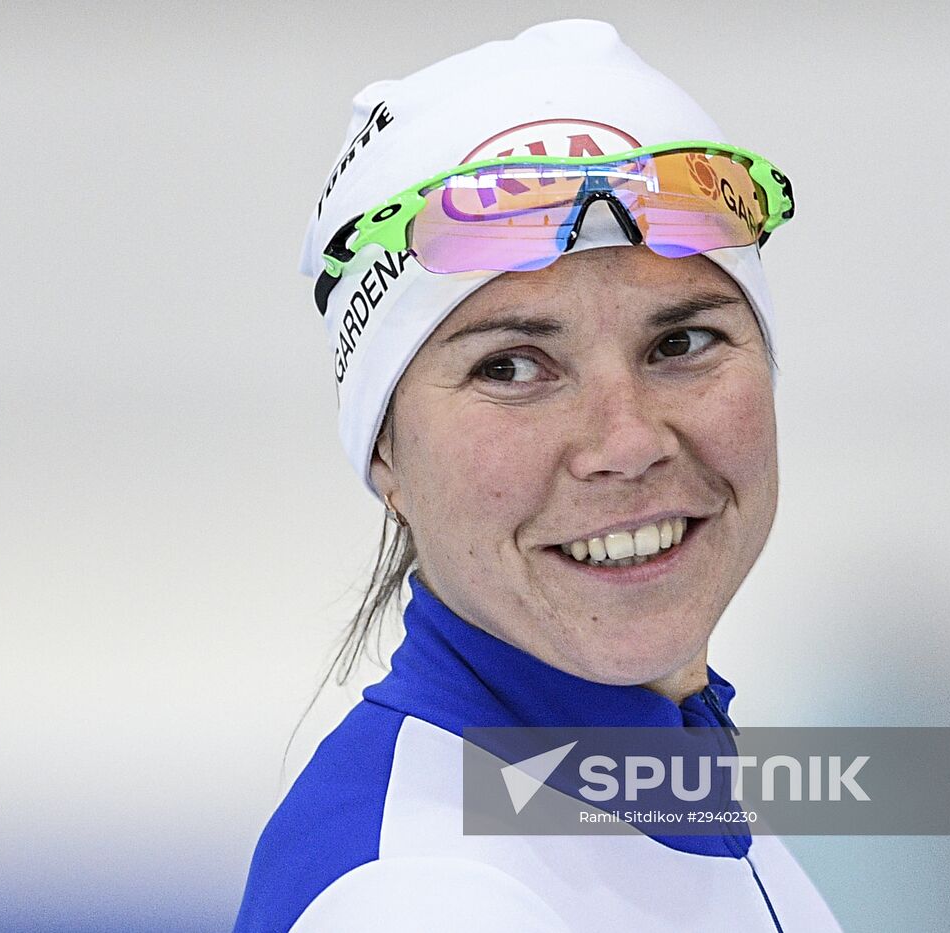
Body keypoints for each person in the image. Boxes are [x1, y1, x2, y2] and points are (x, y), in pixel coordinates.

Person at [234, 19, 841, 932]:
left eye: (681, 342)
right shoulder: (422, 897)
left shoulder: (680, 801)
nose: (627, 440)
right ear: (385, 452)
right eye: (512, 367)